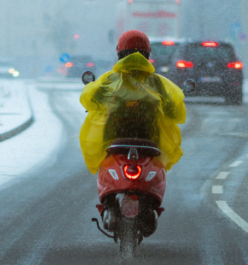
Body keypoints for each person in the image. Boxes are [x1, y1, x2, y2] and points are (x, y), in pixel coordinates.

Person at [79, 30, 187, 174]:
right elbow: (176, 113)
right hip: (150, 145)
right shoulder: (158, 83)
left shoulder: (109, 80)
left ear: (120, 53)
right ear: (147, 54)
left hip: (113, 145)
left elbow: (89, 99)